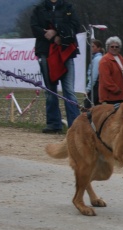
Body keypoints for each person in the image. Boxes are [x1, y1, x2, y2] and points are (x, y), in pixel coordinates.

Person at [30, 0, 80, 134]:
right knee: (50, 91)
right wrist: (50, 36)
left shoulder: (68, 7)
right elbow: (34, 27)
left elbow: (76, 25)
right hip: (45, 52)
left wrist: (58, 33)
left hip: (65, 52)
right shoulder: (39, 8)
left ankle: (75, 125)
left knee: (69, 90)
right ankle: (53, 124)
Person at [98, 37, 123, 104]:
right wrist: (115, 89)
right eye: (112, 46)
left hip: (122, 95)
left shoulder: (122, 59)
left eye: (116, 47)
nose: (114, 48)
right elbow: (106, 79)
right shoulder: (105, 60)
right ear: (108, 47)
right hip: (111, 97)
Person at [84, 39, 104, 108]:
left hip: (95, 86)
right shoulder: (96, 58)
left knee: (87, 107)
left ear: (99, 48)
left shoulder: (97, 59)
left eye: (93, 46)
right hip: (96, 86)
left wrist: (88, 89)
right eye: (91, 46)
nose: (91, 48)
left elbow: (94, 76)